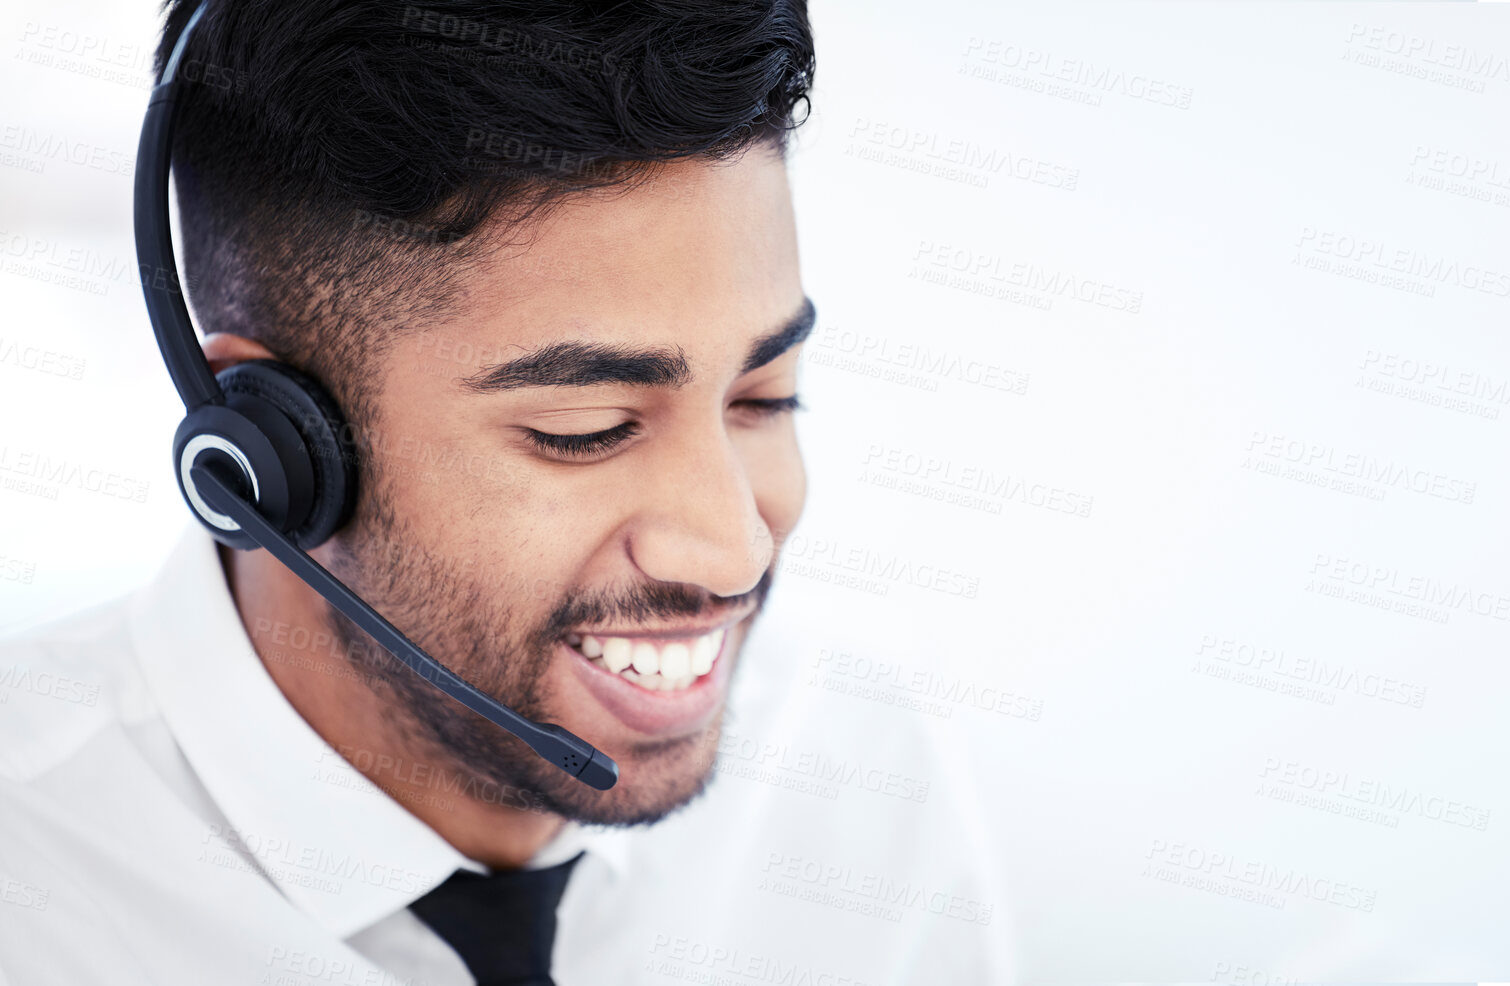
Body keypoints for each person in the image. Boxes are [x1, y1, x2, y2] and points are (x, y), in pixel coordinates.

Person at [0, 1, 1012, 982]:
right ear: (269, 455)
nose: (733, 546)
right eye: (588, 430)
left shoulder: (860, 773)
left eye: (762, 397)